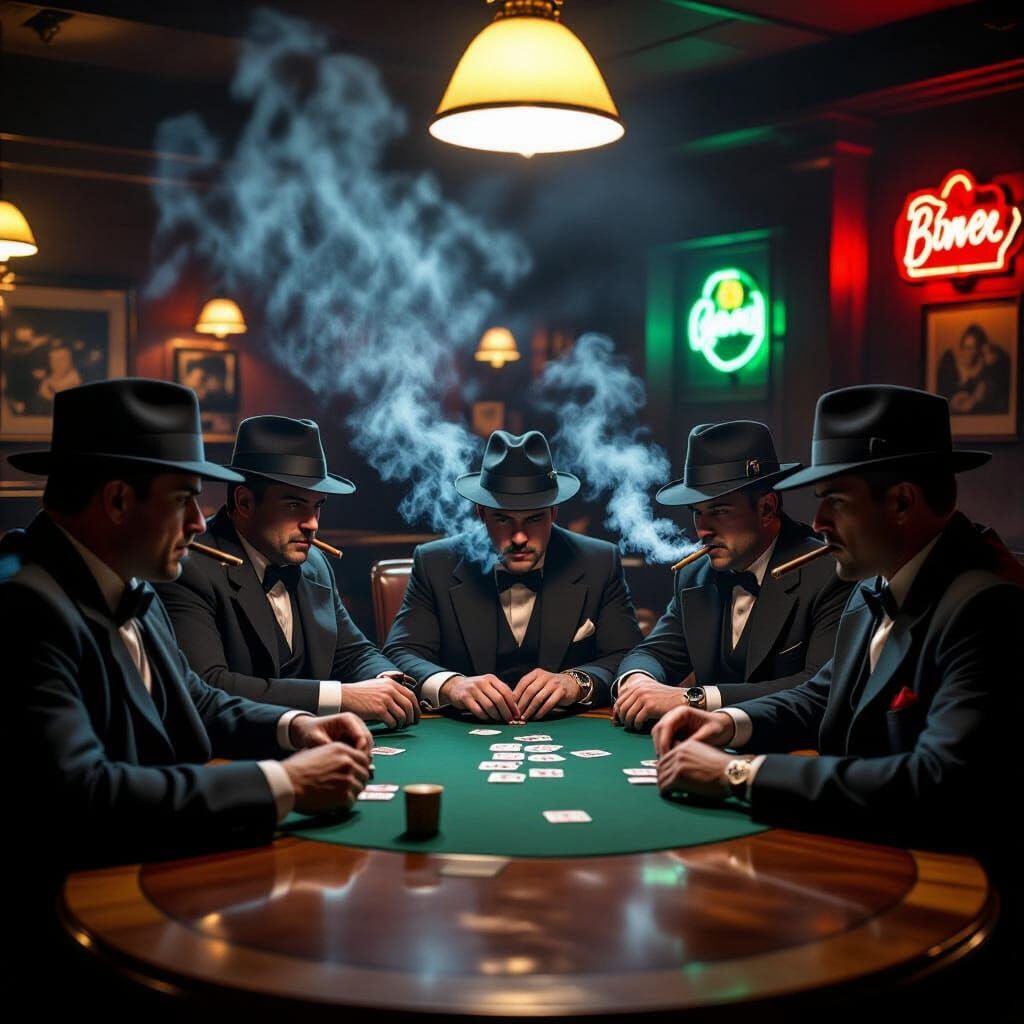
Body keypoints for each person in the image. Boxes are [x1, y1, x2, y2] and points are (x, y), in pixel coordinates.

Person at [3, 378, 375, 874]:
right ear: (117, 501)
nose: (200, 523)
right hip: (81, 890)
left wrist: (295, 726)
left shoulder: (132, 580)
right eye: (183, 499)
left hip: (160, 858)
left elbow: (197, 699)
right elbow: (84, 793)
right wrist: (285, 783)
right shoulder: (26, 606)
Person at [652, 386, 1024, 869]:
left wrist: (739, 773)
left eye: (836, 501)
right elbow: (821, 695)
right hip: (863, 850)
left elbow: (937, 781)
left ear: (902, 503)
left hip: (953, 879)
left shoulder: (986, 607)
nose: (818, 521)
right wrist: (727, 723)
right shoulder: (874, 583)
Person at [155, 415, 418, 728]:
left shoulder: (315, 563)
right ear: (244, 502)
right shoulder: (188, 566)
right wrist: (340, 696)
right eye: (294, 506)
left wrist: (384, 679)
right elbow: (209, 685)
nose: (312, 524)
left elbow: (353, 652)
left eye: (317, 506)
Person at [384, 430, 643, 722]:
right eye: (503, 519)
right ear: (481, 513)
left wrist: (577, 682)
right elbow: (399, 654)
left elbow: (629, 657)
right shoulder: (435, 563)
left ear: (553, 513)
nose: (519, 538)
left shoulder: (599, 561)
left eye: (534, 518)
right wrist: (451, 685)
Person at [613, 421, 852, 728]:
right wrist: (638, 680)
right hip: (701, 746)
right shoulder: (693, 576)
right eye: (697, 513)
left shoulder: (830, 572)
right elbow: (653, 652)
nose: (703, 530)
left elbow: (818, 688)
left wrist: (695, 698)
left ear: (767, 508)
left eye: (720, 511)